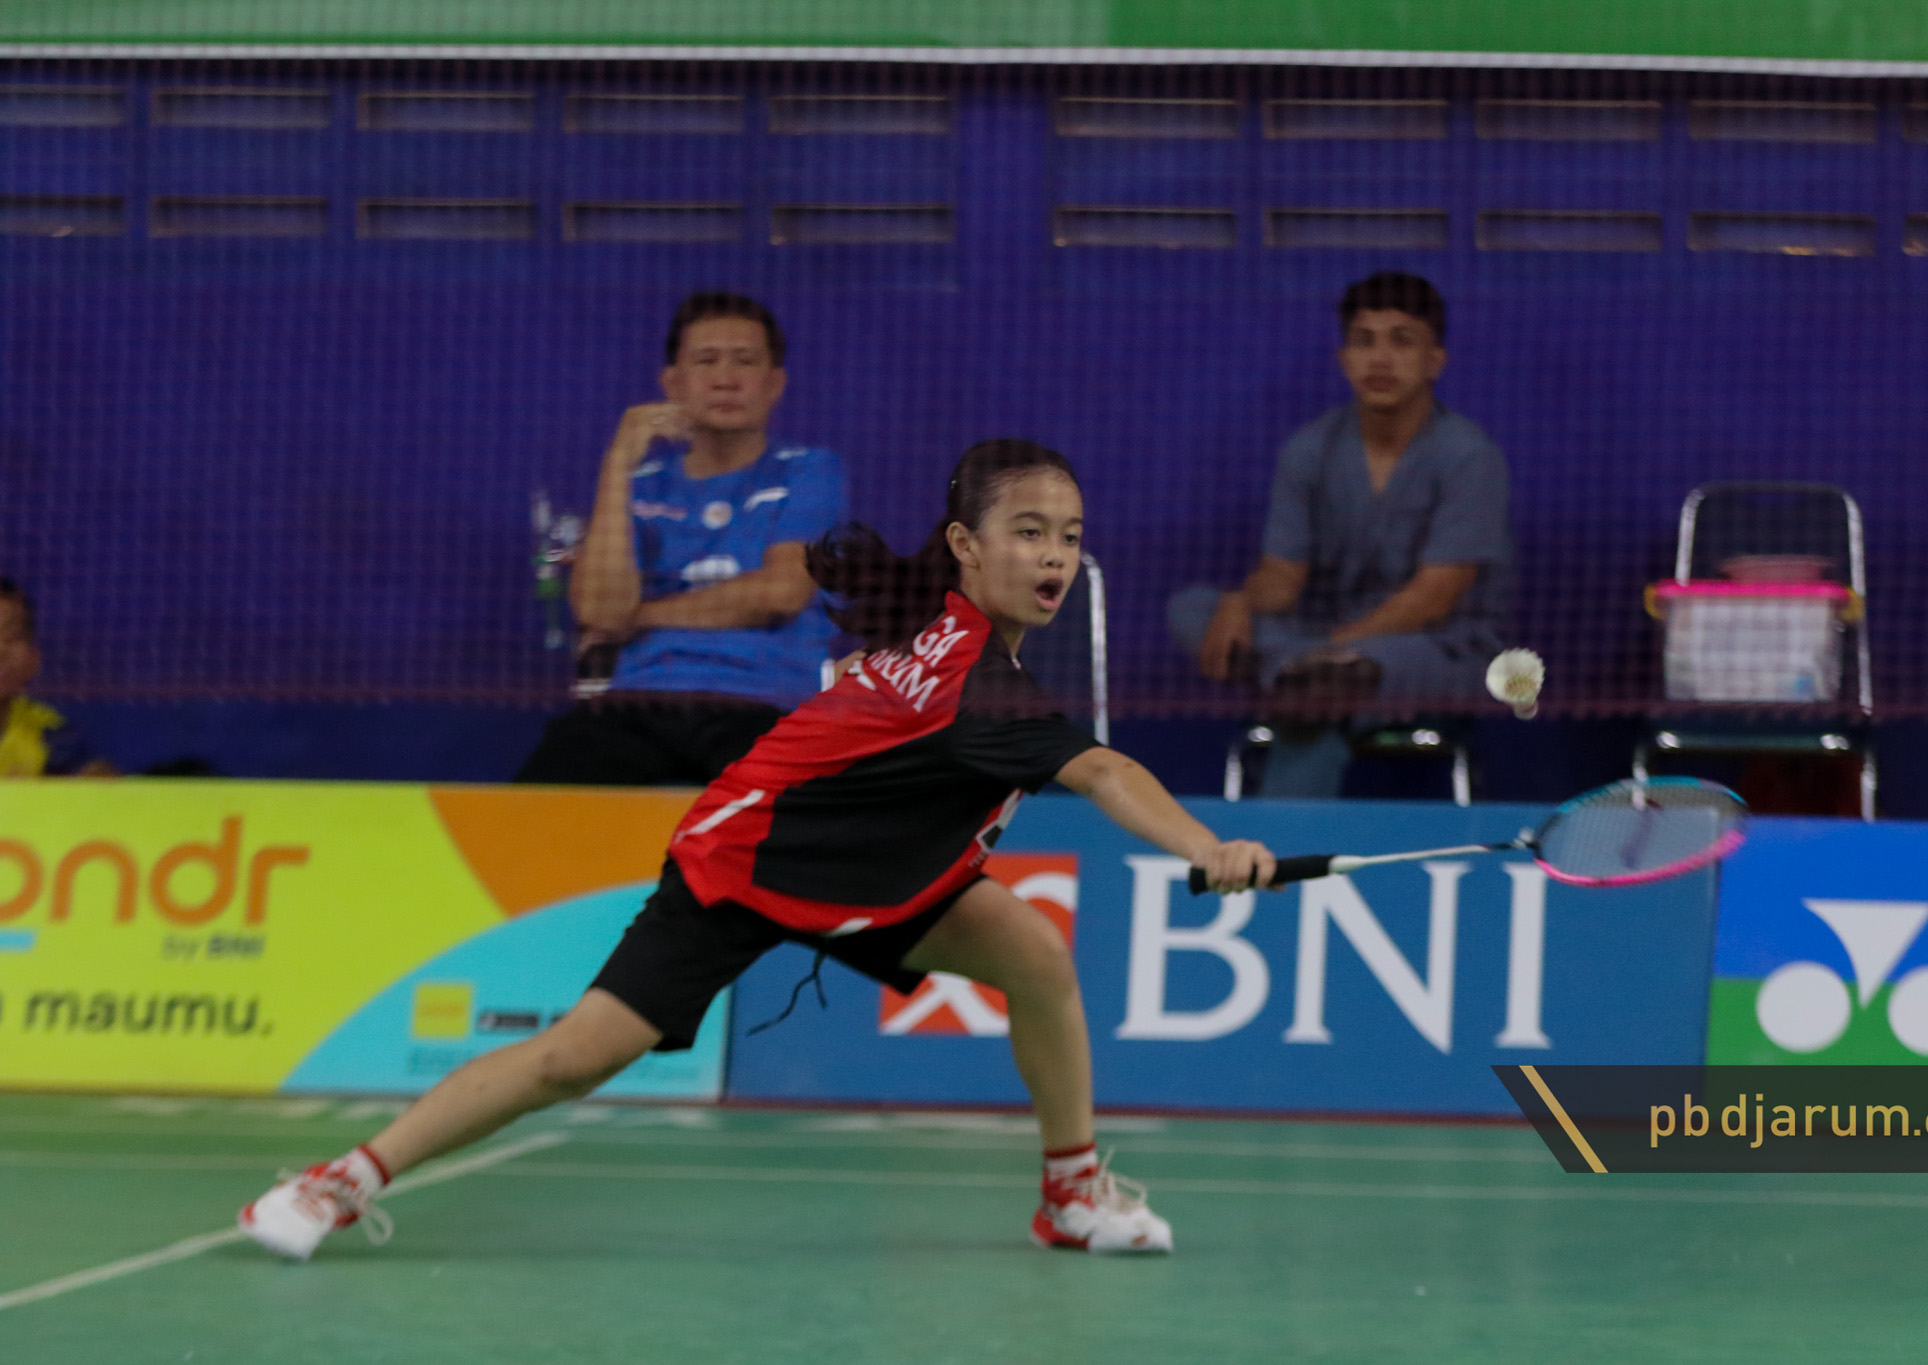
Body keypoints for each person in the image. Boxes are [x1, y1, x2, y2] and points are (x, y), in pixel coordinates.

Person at [240, 439, 1276, 1260]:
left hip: (871, 868)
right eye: (1028, 532)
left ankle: (1071, 1194)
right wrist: (1208, 844)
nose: (1053, 556)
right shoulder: (977, 684)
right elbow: (1103, 772)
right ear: (965, 545)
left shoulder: (956, 638)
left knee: (1036, 957)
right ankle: (339, 1181)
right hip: (743, 863)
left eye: (1068, 537)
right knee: (572, 1058)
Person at [1168, 272, 1514, 798]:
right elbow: (1282, 578)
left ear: (1435, 360)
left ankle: (1299, 680)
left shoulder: (1470, 457)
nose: (1380, 359)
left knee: (1329, 687)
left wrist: (1324, 653)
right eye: (1364, 341)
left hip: (1436, 649)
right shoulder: (1308, 449)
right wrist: (1240, 603)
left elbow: (1434, 597)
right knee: (1193, 610)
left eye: (1401, 341)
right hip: (1324, 639)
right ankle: (1311, 683)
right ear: (1344, 359)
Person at [515, 292, 847, 785]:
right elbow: (599, 611)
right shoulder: (641, 486)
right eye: (706, 360)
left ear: (775, 382)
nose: (725, 379)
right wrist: (618, 463)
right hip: (637, 704)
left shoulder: (808, 471)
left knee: (791, 813)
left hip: (764, 704)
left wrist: (639, 615)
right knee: (535, 808)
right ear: (673, 383)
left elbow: (781, 593)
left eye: (745, 361)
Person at [0, 577, 114, 778]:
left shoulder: (48, 732)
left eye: (11, 637)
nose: (1, 650)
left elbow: (101, 782)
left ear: (34, 660)